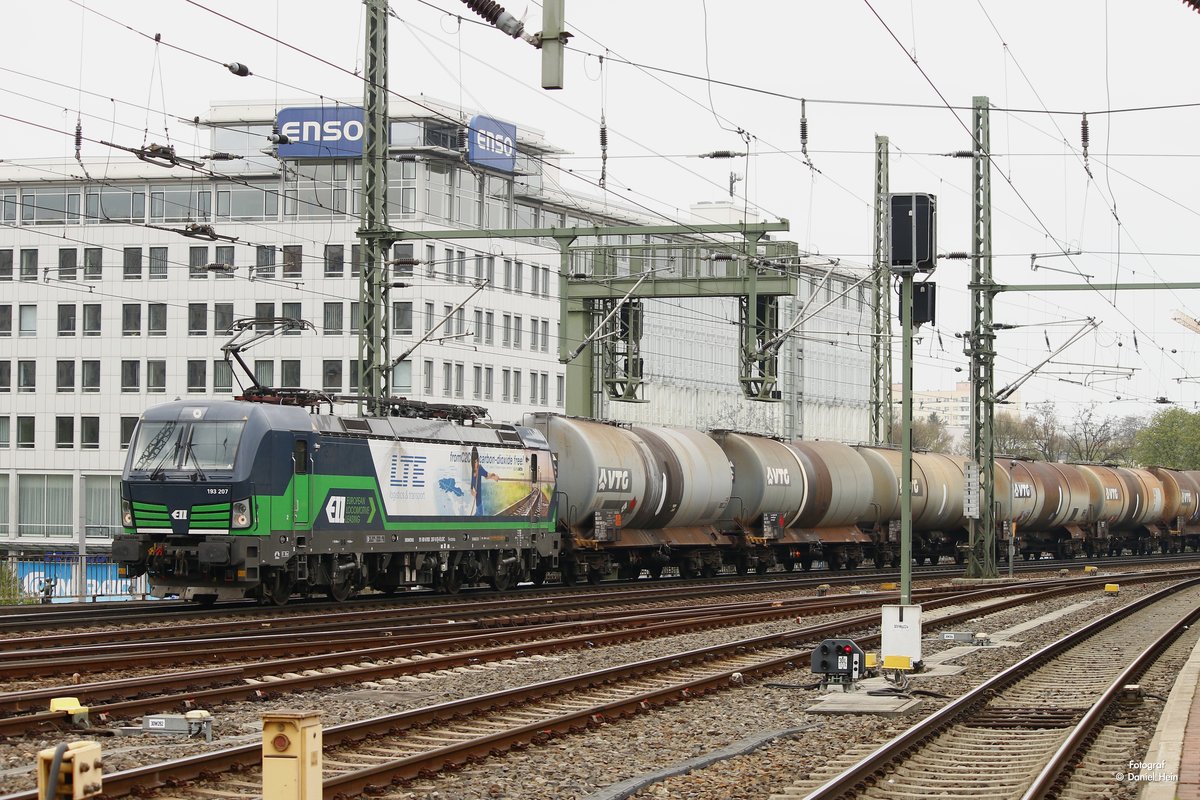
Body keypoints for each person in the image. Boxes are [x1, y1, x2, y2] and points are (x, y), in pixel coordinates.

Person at [470, 447, 498, 515]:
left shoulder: (479, 468)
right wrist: (472, 491)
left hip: (479, 503)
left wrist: (494, 476)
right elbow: (471, 484)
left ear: (478, 460)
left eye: (477, 461)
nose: (476, 463)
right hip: (477, 503)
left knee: (480, 519)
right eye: (474, 462)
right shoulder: (473, 470)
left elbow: (487, 475)